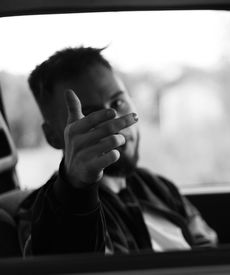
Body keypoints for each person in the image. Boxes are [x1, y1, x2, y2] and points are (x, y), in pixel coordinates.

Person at [17, 46, 217, 255]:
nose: (115, 121)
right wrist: (76, 189)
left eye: (118, 102)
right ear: (53, 137)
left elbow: (209, 251)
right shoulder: (46, 214)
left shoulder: (159, 187)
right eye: (91, 115)